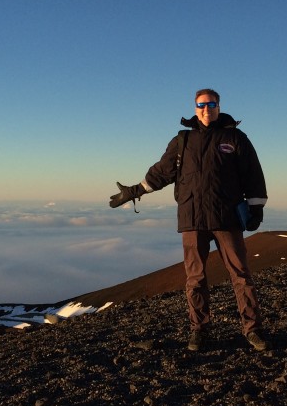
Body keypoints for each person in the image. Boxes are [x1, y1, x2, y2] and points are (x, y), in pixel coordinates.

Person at [108, 88, 269, 352]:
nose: (207, 109)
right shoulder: (183, 140)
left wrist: (256, 208)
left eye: (212, 104)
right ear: (195, 108)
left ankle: (253, 330)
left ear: (219, 106)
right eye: (201, 105)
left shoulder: (235, 138)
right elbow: (161, 173)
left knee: (241, 275)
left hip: (226, 218)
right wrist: (134, 191)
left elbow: (253, 174)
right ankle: (199, 330)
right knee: (196, 278)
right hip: (192, 218)